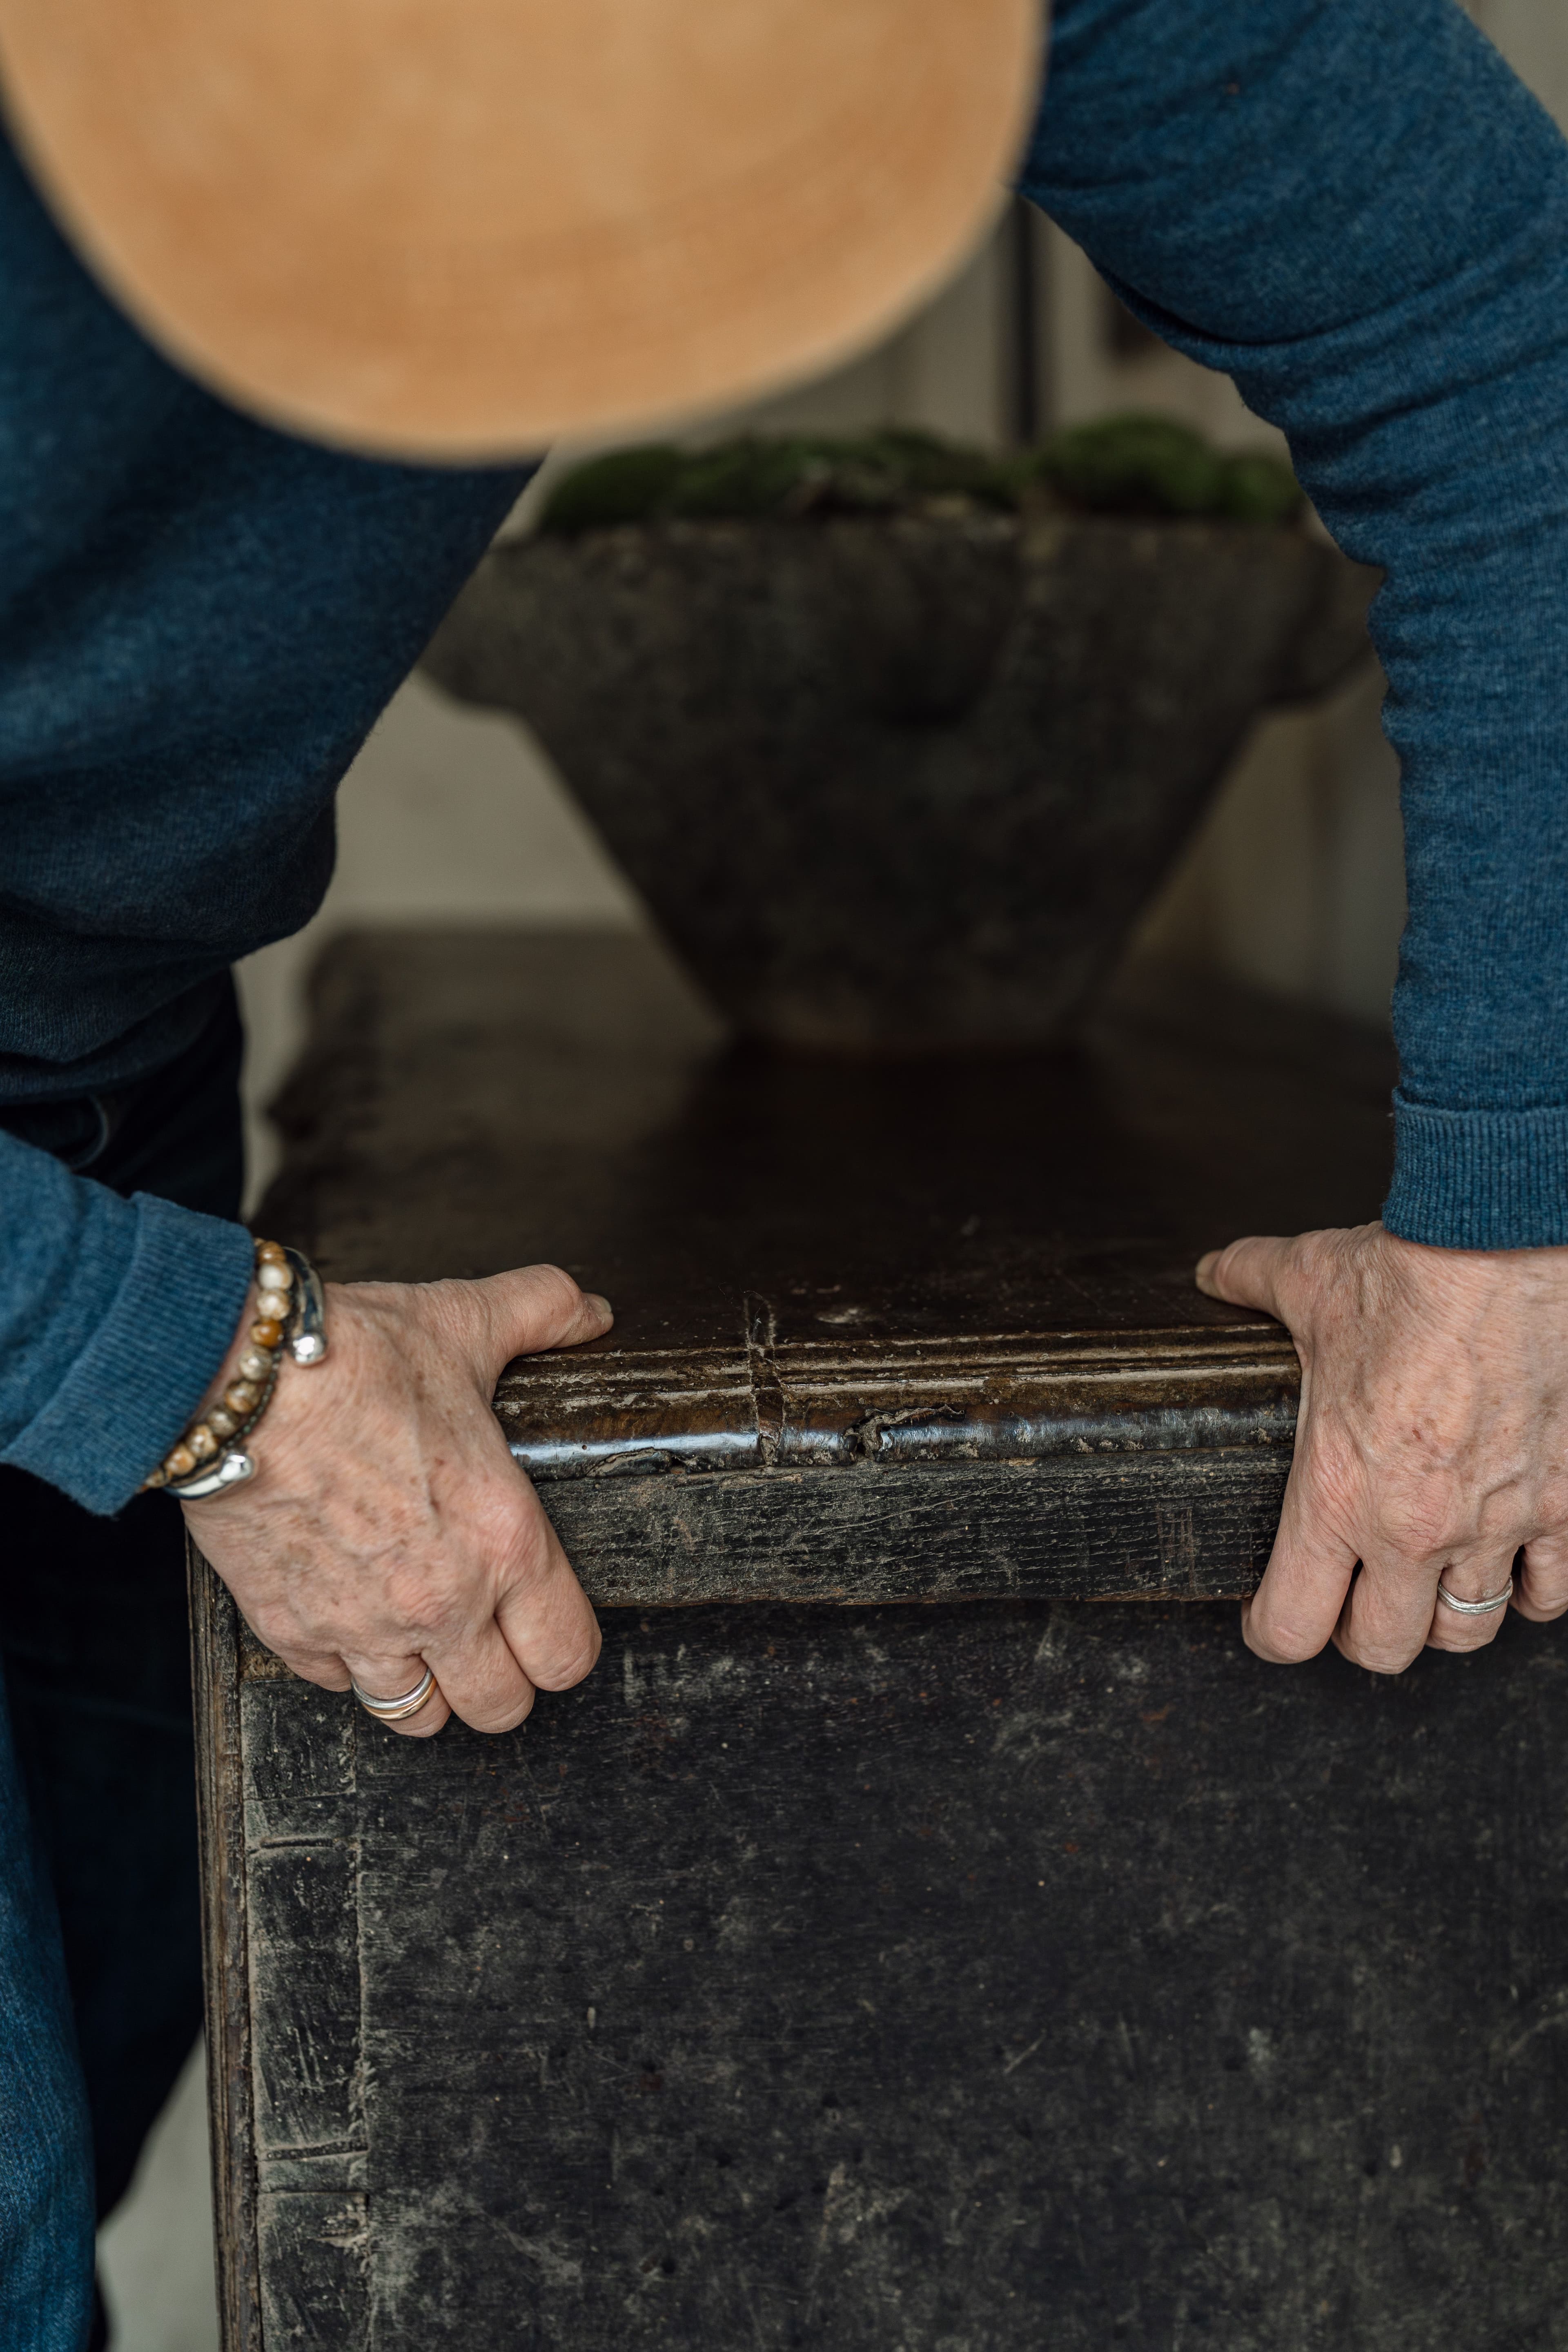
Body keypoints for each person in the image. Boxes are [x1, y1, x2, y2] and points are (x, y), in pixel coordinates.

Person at [1, 0, 1565, 2338]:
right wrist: (185, 1369)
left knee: (132, 1980)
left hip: (102, 1040)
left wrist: (1526, 1204)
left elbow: (1499, 340)